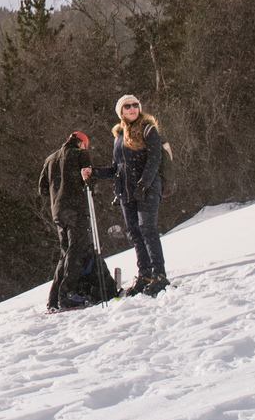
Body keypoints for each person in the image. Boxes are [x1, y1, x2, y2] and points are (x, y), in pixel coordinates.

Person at [86, 94, 169, 296]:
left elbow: (154, 159)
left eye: (135, 105)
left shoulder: (149, 129)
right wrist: (94, 172)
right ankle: (145, 274)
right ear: (121, 112)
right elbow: (118, 168)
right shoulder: (119, 136)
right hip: (126, 192)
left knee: (147, 228)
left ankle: (160, 275)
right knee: (134, 232)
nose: (132, 109)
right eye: (127, 106)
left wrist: (144, 184)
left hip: (147, 188)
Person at [40, 130, 95, 310]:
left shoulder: (50, 159)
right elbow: (88, 178)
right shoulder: (81, 154)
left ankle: (54, 298)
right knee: (77, 248)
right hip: (76, 207)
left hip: (57, 210)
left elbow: (42, 190)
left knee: (66, 252)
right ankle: (67, 294)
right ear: (81, 143)